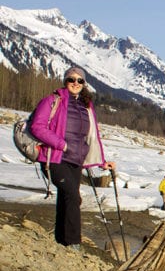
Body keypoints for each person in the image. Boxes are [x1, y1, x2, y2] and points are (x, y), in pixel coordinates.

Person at [30, 67, 116, 250]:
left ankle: (61, 240)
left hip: (76, 161)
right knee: (72, 196)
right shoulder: (52, 101)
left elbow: (92, 137)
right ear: (65, 81)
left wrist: (101, 161)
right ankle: (73, 242)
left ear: (84, 84)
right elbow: (37, 127)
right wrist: (61, 144)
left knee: (66, 197)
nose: (76, 83)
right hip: (54, 158)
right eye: (71, 79)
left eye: (80, 80)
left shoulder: (86, 106)